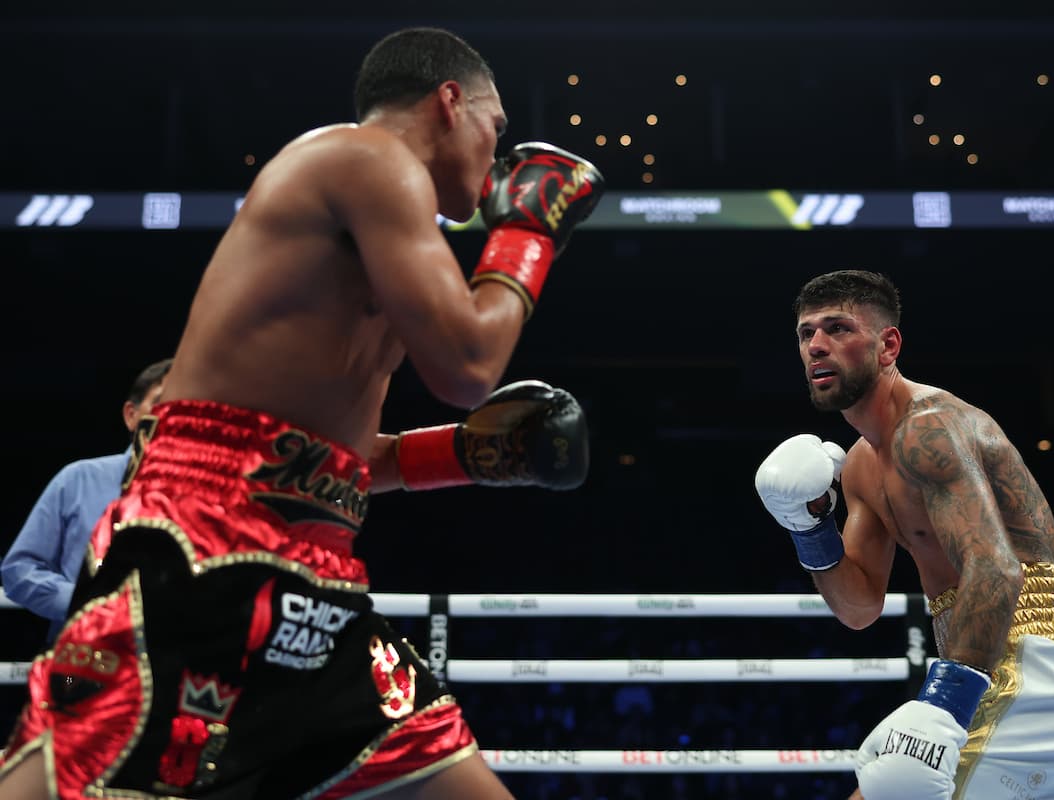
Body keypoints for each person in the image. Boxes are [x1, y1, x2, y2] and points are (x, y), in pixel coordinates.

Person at [0, 26, 603, 800]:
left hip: (317, 578)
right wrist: (528, 232)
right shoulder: (365, 158)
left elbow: (325, 461)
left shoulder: (385, 240)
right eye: (498, 128)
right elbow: (467, 365)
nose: (501, 156)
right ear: (449, 102)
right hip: (204, 551)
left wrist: (469, 455)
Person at [754, 269, 1054, 800]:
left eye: (838, 328)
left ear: (887, 345)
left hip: (1033, 663)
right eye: (807, 334)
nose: (817, 346)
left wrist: (942, 704)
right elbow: (858, 608)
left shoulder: (930, 427)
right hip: (985, 662)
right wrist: (807, 526)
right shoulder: (859, 466)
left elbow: (994, 568)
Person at [1, 357, 172, 645]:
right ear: (131, 415)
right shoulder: (79, 480)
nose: (170, 415)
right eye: (161, 402)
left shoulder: (211, 497)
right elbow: (18, 570)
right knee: (68, 687)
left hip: (169, 671)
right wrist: (89, 602)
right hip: (78, 666)